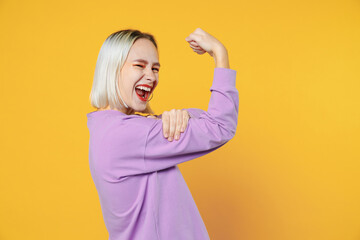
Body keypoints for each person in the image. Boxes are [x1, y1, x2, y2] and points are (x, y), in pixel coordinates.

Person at [86, 27, 239, 240]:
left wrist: (180, 115)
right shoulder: (128, 135)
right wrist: (219, 53)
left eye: (155, 68)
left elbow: (205, 120)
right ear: (112, 69)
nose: (150, 76)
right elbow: (220, 126)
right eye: (139, 65)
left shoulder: (107, 128)